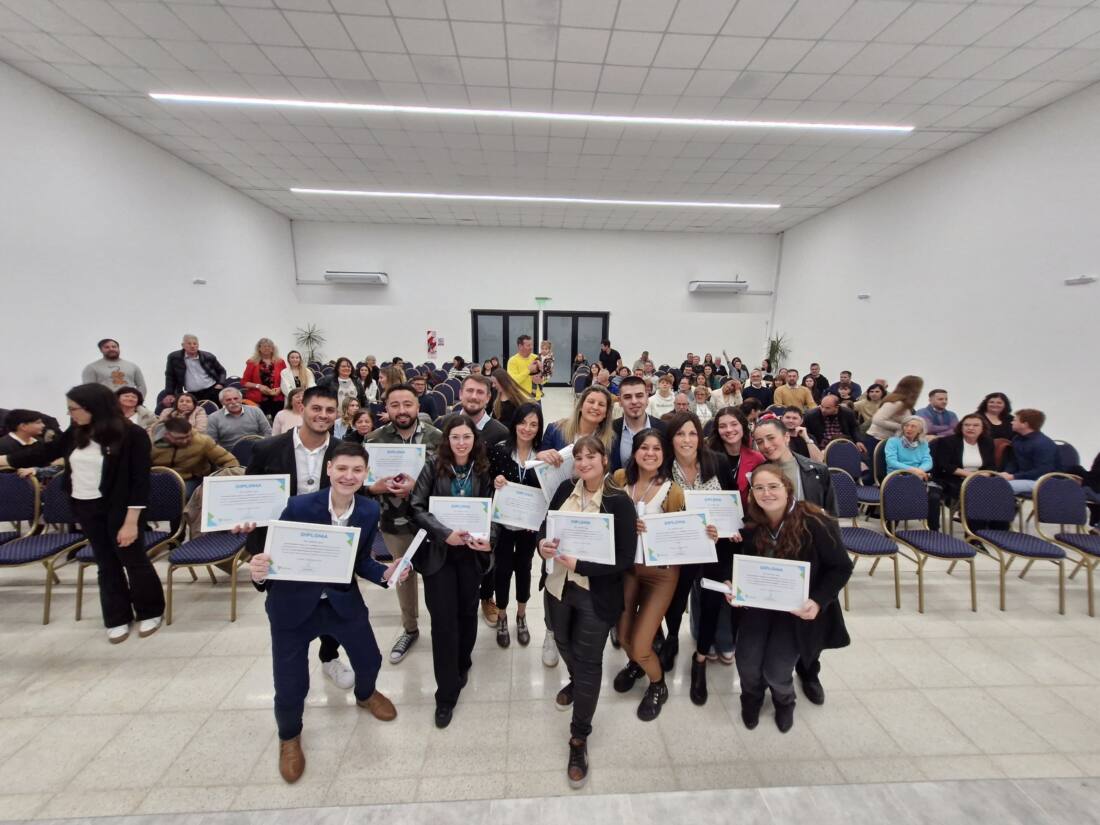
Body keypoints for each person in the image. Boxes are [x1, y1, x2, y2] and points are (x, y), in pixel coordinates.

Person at [239, 443, 404, 783]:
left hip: (340, 601)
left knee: (370, 660)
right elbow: (273, 556)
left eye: (357, 470)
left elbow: (361, 562)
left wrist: (385, 573)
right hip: (293, 604)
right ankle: (289, 736)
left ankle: (365, 695)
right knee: (290, 685)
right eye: (342, 468)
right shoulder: (298, 506)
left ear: (366, 474)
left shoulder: (368, 510)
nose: (348, 476)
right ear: (329, 469)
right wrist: (259, 572)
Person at [1, 384, 165, 642]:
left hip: (121, 508)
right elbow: (46, 452)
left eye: (74, 409)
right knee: (106, 563)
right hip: (85, 506)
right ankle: (117, 617)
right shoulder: (76, 431)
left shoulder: (132, 434)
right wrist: (7, 461)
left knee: (133, 561)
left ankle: (150, 611)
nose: (70, 414)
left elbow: (139, 482)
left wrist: (131, 522)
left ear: (94, 408)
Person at [537, 435, 636, 788]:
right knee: (563, 642)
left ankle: (578, 738)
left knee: (589, 660)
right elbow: (545, 526)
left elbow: (624, 558)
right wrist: (541, 544)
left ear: (604, 460)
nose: (583, 462)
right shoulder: (565, 489)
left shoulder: (618, 502)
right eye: (578, 457)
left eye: (591, 456)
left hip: (595, 594)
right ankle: (577, 680)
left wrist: (582, 565)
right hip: (557, 587)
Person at [246, 386, 359, 688]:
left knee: (331, 604)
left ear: (337, 414)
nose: (323, 415)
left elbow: (355, 492)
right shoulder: (267, 448)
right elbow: (251, 498)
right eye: (316, 408)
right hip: (282, 547)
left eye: (330, 410)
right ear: (301, 408)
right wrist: (244, 522)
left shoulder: (344, 450)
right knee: (289, 611)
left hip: (329, 544)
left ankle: (329, 656)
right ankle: (292, 673)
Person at [727, 464, 851, 732]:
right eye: (759, 488)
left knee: (777, 668)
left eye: (773, 486)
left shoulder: (816, 521)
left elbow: (841, 567)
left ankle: (784, 700)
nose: (766, 493)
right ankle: (751, 697)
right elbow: (738, 564)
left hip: (796, 610)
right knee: (747, 661)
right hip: (759, 606)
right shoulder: (750, 524)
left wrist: (817, 601)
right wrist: (732, 585)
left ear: (787, 488)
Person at [409, 415, 497, 729]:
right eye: (455, 437)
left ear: (475, 440)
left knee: (467, 613)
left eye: (466, 437)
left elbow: (495, 512)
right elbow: (416, 507)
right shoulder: (432, 466)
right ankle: (445, 695)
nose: (461, 443)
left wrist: (490, 540)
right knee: (444, 622)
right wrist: (444, 532)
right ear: (447, 439)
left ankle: (462, 661)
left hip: (471, 554)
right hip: (440, 554)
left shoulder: (484, 469)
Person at [751, 418, 836, 704]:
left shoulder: (815, 471)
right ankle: (773, 675)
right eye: (759, 441)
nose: (766, 445)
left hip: (812, 557)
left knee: (812, 620)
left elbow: (831, 516)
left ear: (787, 436)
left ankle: (809, 672)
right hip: (775, 558)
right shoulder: (759, 474)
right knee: (780, 624)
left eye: (771, 438)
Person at [610, 431, 693, 719]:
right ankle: (636, 664)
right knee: (623, 635)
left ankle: (658, 684)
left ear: (664, 454)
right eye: (644, 447)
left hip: (660, 573)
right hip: (628, 569)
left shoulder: (673, 490)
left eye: (656, 448)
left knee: (641, 644)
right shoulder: (620, 479)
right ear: (634, 452)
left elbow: (682, 533)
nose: (650, 453)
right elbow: (603, 510)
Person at [366, 383, 443, 665]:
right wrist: (374, 487)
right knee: (403, 576)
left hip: (431, 523)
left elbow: (447, 480)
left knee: (437, 577)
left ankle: (442, 628)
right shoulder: (374, 440)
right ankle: (410, 629)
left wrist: (418, 487)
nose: (402, 410)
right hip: (393, 522)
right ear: (386, 408)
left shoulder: (436, 437)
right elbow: (360, 483)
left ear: (417, 407)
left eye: (407, 404)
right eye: (395, 405)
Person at [660, 412, 735, 676]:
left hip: (716, 547)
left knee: (712, 600)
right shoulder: (664, 467)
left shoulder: (718, 461)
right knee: (676, 600)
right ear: (671, 438)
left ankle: (701, 655)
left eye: (692, 433)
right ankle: (672, 639)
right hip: (680, 549)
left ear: (700, 437)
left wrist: (732, 527)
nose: (687, 440)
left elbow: (732, 500)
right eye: (680, 434)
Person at [488, 402, 543, 648]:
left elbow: (547, 491)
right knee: (501, 570)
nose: (527, 428)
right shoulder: (499, 451)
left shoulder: (542, 456)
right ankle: (502, 615)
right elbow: (487, 480)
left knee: (524, 569)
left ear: (539, 428)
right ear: (515, 424)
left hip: (528, 528)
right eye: (523, 422)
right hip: (503, 526)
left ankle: (521, 615)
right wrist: (495, 480)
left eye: (533, 424)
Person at [151, 417, 239, 498]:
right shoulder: (152, 444)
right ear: (167, 435)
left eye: (188, 436)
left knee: (179, 495)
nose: (185, 441)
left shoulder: (203, 442)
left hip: (191, 479)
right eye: (180, 438)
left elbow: (229, 461)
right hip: (158, 478)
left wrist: (222, 482)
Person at [885, 416, 941, 530]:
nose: (909, 429)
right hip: (897, 476)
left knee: (934, 497)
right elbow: (891, 461)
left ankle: (934, 530)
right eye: (906, 426)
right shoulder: (893, 441)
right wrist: (913, 470)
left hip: (918, 477)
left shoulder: (923, 443)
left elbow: (928, 461)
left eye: (913, 426)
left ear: (920, 430)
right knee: (902, 493)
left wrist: (919, 470)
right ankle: (890, 529)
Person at [932, 413, 997, 507]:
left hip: (980, 478)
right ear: (961, 427)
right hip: (954, 478)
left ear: (983, 428)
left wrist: (984, 475)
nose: (970, 428)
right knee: (978, 490)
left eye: (975, 425)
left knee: (1000, 489)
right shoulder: (948, 441)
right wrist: (971, 475)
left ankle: (995, 515)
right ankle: (970, 514)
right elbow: (945, 465)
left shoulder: (987, 442)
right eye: (966, 425)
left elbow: (991, 465)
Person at [611, 376, 667, 472]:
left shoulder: (664, 429)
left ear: (647, 398)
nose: (634, 401)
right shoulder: (611, 429)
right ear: (620, 401)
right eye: (627, 397)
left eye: (639, 396)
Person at [540, 385, 615, 455]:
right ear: (580, 406)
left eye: (601, 405)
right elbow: (540, 462)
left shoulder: (612, 441)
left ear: (606, 413)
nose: (595, 407)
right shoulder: (554, 430)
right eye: (591, 402)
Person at [1000, 408, 1059, 495]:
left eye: (1015, 420)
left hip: (1041, 481)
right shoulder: (1017, 439)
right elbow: (1014, 461)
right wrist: (1007, 473)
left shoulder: (1043, 443)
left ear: (1025, 424)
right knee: (991, 482)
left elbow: (1042, 471)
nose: (1011, 422)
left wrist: (1013, 476)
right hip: (1024, 478)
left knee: (999, 487)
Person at [866, 374, 923, 458]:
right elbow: (877, 419)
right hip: (878, 441)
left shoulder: (904, 404)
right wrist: (901, 427)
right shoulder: (896, 403)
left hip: (886, 441)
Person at [164, 334, 227, 404]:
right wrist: (170, 393)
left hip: (212, 390)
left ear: (198, 345)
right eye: (189, 343)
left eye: (195, 344)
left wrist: (220, 384)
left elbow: (222, 371)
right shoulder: (174, 358)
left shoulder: (208, 356)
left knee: (215, 409)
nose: (192, 346)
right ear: (183, 345)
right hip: (192, 395)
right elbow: (170, 376)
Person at [206, 387, 271, 450]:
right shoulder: (213, 418)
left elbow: (268, 432)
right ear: (222, 402)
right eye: (228, 400)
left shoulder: (255, 411)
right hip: (230, 453)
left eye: (236, 398)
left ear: (241, 399)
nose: (233, 402)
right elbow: (212, 443)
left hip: (257, 449)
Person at [82, 338, 147, 397]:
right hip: (105, 403)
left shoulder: (132, 366)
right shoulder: (92, 367)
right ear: (101, 350)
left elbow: (141, 386)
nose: (111, 349)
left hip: (128, 402)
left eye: (114, 347)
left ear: (118, 348)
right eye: (107, 347)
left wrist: (139, 401)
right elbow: (89, 390)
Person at [242, 339, 286, 420]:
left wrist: (280, 389)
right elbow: (244, 382)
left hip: (277, 397)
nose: (267, 348)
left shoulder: (280, 362)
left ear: (273, 348)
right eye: (264, 346)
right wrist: (259, 386)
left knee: (278, 421)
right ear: (259, 348)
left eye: (269, 346)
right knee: (260, 422)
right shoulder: (252, 362)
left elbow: (285, 379)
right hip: (258, 399)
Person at [505, 334, 542, 400]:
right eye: (528, 345)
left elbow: (544, 378)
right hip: (520, 398)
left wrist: (542, 379)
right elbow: (513, 381)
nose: (531, 347)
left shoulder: (536, 358)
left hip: (536, 398)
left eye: (531, 345)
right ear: (520, 346)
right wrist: (529, 370)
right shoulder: (512, 361)